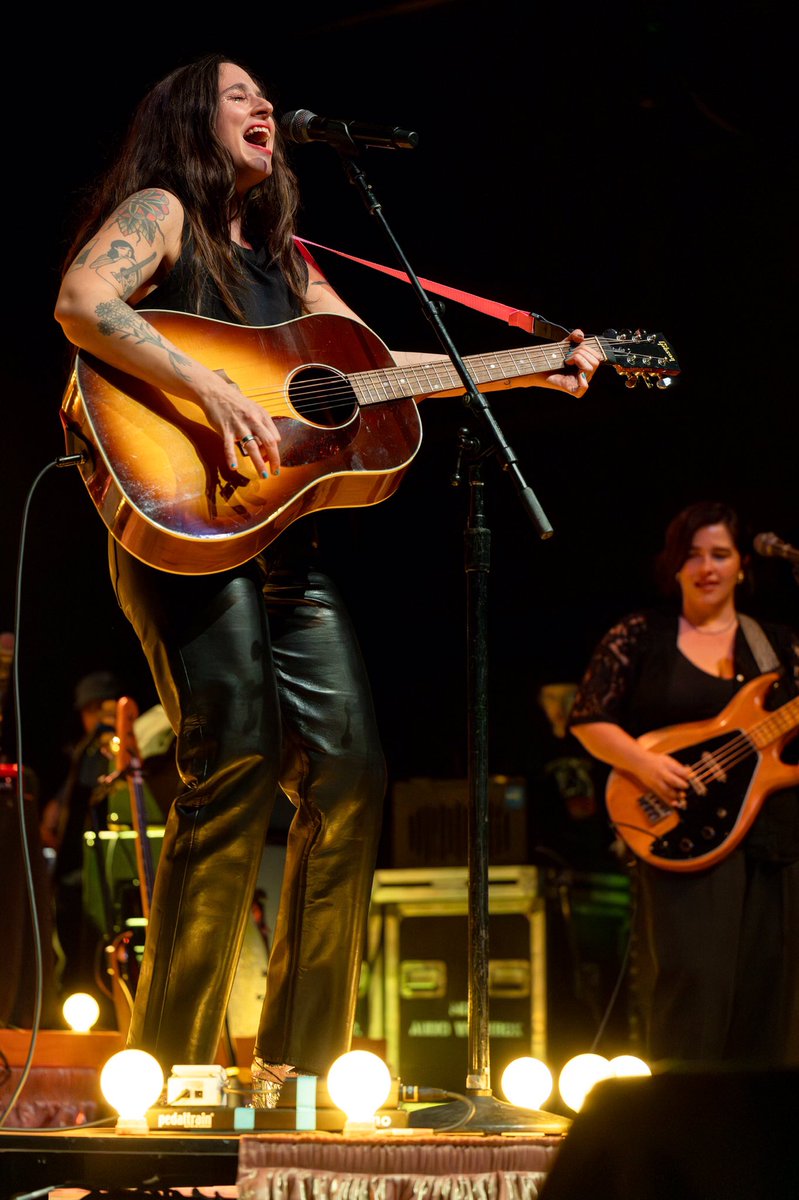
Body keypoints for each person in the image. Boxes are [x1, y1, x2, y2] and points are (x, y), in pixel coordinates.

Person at [53, 52, 603, 1105]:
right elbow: (84, 299)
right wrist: (211, 390)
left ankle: (301, 1066)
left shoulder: (292, 255)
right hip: (184, 518)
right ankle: (164, 1067)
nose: (263, 106)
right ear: (188, 120)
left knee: (351, 773)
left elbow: (368, 368)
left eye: (266, 95)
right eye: (238, 95)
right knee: (237, 764)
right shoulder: (164, 212)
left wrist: (538, 362)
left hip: (286, 546)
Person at [568, 499, 799, 1067]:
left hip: (774, 839)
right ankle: (682, 1128)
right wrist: (646, 765)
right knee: (694, 986)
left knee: (769, 997)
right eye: (693, 555)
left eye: (720, 554)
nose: (707, 567)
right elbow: (589, 718)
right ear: (674, 565)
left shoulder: (776, 645)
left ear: (743, 564)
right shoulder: (641, 635)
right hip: (681, 836)